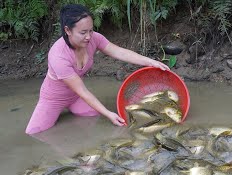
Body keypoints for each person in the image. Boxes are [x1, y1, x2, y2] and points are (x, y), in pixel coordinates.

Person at [25, 4, 170, 135]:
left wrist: (151, 62)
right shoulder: (58, 56)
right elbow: (83, 90)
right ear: (67, 30)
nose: (88, 37)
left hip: (76, 98)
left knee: (94, 118)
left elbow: (119, 52)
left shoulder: (94, 39)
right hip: (53, 99)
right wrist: (109, 113)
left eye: (91, 30)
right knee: (35, 133)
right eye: (83, 32)